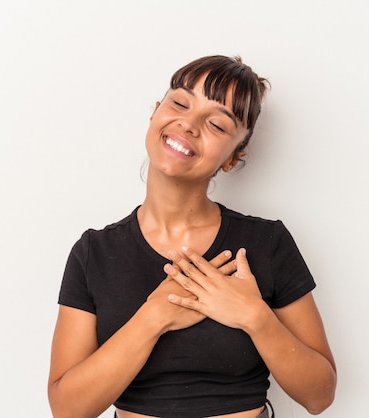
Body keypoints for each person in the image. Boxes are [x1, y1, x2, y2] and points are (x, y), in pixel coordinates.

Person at [48, 55, 337, 418]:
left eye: (217, 124)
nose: (189, 124)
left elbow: (320, 395)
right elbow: (67, 409)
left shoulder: (266, 242)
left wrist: (254, 316)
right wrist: (155, 316)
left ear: (233, 158)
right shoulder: (94, 252)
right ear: (155, 114)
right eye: (181, 103)